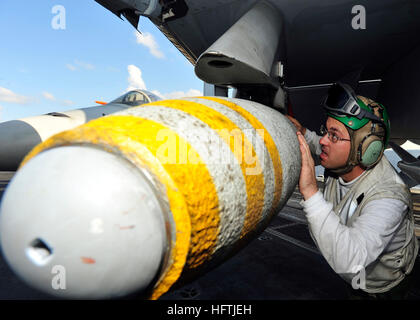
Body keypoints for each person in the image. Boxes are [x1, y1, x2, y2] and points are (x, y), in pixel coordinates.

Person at [288, 82, 419, 299]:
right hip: (356, 281)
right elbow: (320, 146)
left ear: (367, 149)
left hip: (383, 290)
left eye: (334, 135)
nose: (323, 140)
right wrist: (302, 132)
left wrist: (310, 192)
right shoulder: (343, 160)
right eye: (325, 131)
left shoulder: (388, 197)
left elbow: (351, 260)